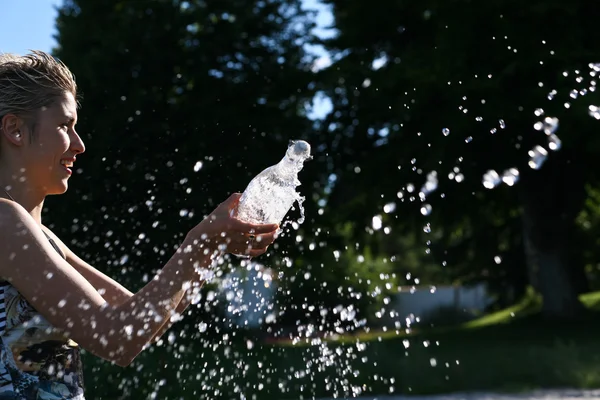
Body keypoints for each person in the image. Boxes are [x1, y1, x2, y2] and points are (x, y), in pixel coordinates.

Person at [0, 51, 279, 400]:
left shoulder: (38, 236)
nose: (80, 144)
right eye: (63, 126)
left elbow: (142, 319)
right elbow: (117, 339)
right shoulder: (3, 222)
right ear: (14, 129)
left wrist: (211, 244)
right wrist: (197, 242)